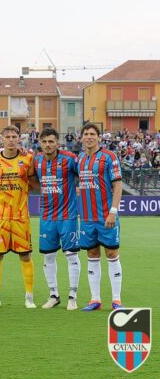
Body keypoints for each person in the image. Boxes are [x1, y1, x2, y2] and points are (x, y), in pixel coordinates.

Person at [0, 125, 37, 309]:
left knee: (25, 256)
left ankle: (29, 297)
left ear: (19, 139)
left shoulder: (27, 159)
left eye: (15, 136)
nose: (11, 139)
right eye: (8, 136)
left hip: (21, 217)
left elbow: (35, 183)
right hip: (0, 217)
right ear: (1, 139)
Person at [31, 128, 81, 311]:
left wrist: (78, 189)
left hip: (67, 215)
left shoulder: (68, 159)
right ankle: (53, 295)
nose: (47, 145)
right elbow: (31, 179)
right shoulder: (36, 160)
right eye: (44, 142)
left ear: (57, 143)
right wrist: (42, 188)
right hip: (47, 216)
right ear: (39, 143)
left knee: (71, 255)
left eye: (51, 141)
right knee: (48, 256)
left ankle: (72, 296)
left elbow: (82, 174)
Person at [77, 123, 124, 311]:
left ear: (99, 137)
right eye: (86, 134)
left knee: (112, 253)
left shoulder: (109, 157)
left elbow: (118, 185)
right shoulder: (79, 159)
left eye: (92, 134)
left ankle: (117, 300)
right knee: (92, 254)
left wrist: (113, 211)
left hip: (106, 216)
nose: (89, 137)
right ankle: (95, 300)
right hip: (87, 218)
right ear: (81, 138)